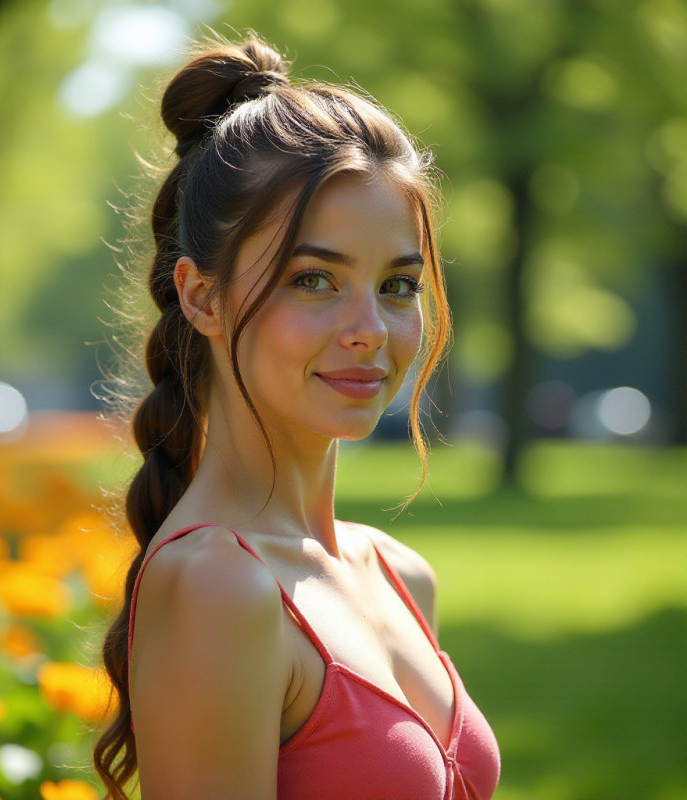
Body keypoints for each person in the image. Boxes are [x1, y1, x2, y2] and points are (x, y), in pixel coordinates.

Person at [94, 33, 500, 800]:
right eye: (314, 279)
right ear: (202, 298)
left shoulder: (399, 573)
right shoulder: (216, 585)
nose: (370, 330)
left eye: (398, 285)